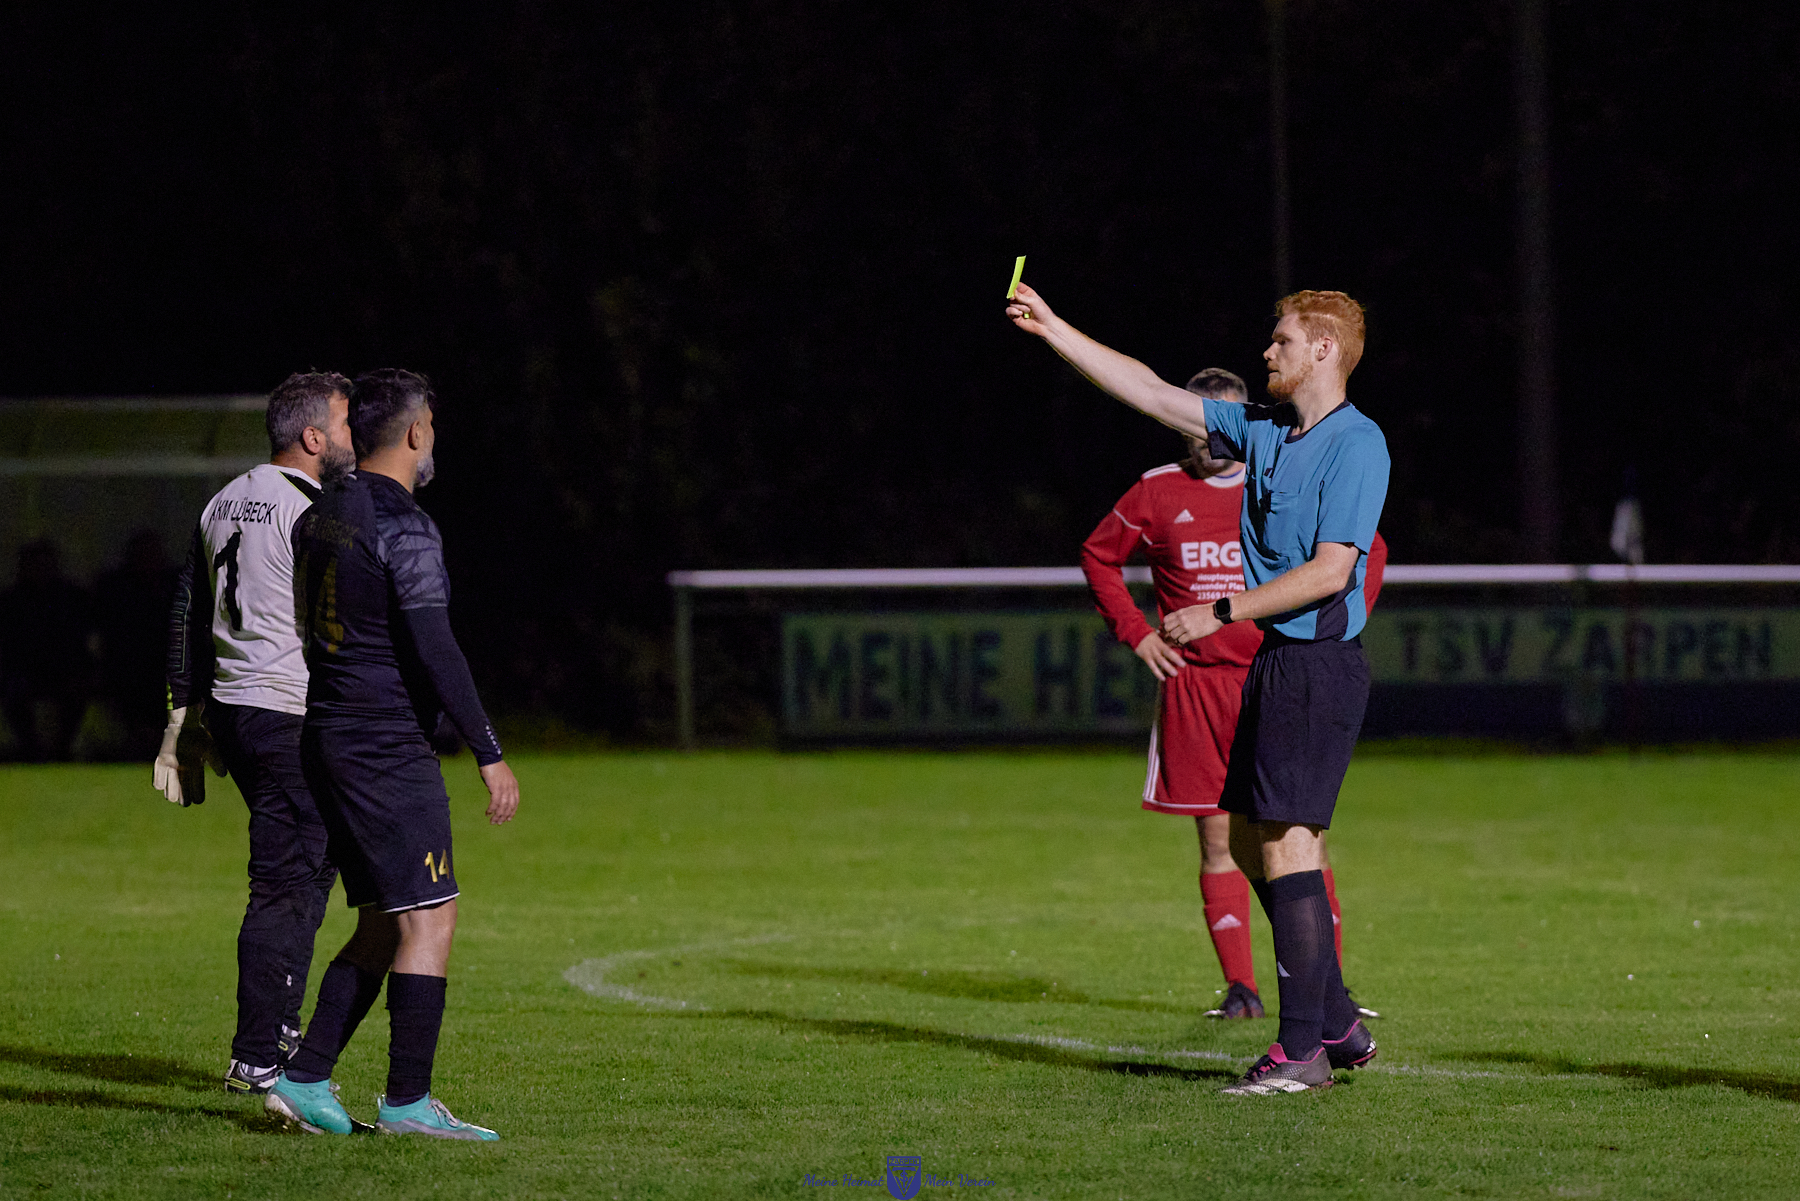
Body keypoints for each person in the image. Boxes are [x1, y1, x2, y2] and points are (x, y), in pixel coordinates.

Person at [1009, 283, 1388, 1095]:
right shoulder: (1265, 430)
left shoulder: (1358, 443)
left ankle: (1302, 1049)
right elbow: (1149, 391)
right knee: (1250, 842)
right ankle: (1336, 1021)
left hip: (1316, 665)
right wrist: (1056, 328)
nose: (1267, 351)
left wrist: (1219, 610)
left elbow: (1333, 570)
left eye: (1282, 340)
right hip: (1276, 665)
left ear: (1324, 350)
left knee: (1289, 845)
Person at [1082, 368, 1386, 1023]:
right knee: (1223, 842)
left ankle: (1328, 993)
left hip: (1273, 676)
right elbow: (1098, 556)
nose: (1206, 438)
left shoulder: (1279, 475)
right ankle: (1243, 988)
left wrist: (1337, 624)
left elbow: (1368, 550)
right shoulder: (1156, 491)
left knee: (1298, 840)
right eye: (1196, 423)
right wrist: (1137, 633)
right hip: (1196, 688)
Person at [267, 368, 519, 1139]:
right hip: (384, 749)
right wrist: (488, 750)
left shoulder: (320, 514)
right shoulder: (405, 525)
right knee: (431, 916)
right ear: (414, 432)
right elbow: (435, 644)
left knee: (385, 919)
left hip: (328, 736)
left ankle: (305, 1077)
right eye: (431, 425)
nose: (432, 437)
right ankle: (409, 1102)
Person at [159, 371, 358, 1095]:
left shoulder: (223, 499)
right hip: (283, 711)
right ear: (312, 437)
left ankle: (276, 1028)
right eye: (344, 423)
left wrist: (182, 714)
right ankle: (256, 1054)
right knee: (284, 882)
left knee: (310, 866)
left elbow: (187, 606)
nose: (353, 436)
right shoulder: (311, 511)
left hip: (238, 710)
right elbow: (340, 623)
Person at [0, 540, 94, 761]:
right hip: (22, 672)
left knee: (76, 692)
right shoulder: (10, 602)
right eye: (34, 565)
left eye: (45, 565)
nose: (39, 571)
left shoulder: (72, 599)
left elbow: (84, 641)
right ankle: (30, 748)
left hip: (64, 671)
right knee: (14, 692)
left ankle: (62, 748)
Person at [98, 528, 178, 759]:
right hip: (127, 665)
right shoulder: (115, 588)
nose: (147, 560)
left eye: (152, 554)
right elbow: (110, 634)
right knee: (128, 681)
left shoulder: (176, 584)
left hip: (170, 663)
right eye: (142, 554)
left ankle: (163, 740)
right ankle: (143, 738)